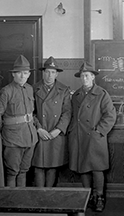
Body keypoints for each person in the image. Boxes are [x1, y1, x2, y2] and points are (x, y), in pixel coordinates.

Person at [68, 61, 117, 212]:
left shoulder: (101, 94)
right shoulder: (76, 95)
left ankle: (99, 196)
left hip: (94, 137)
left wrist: (99, 131)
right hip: (79, 136)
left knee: (97, 168)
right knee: (83, 167)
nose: (84, 79)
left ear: (93, 77)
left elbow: (110, 115)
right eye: (82, 76)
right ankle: (87, 196)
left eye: (87, 76)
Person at [0, 55, 38, 187]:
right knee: (12, 171)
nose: (22, 76)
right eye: (19, 73)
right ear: (13, 74)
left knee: (24, 170)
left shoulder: (30, 89)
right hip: (13, 139)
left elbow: (31, 114)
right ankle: (11, 202)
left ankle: (21, 200)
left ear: (29, 74)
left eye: (25, 73)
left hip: (30, 137)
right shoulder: (6, 92)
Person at [32, 56, 72, 187]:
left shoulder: (64, 90)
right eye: (47, 72)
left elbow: (67, 112)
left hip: (55, 133)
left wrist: (58, 130)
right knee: (38, 166)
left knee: (52, 166)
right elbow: (30, 112)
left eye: (53, 72)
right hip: (40, 132)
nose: (50, 75)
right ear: (43, 73)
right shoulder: (34, 88)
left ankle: (49, 197)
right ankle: (39, 197)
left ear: (57, 74)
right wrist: (38, 128)